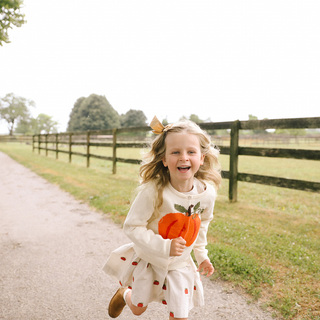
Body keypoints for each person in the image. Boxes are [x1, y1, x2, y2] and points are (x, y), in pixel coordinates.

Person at [103, 116, 221, 320]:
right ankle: (124, 294)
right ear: (164, 159)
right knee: (139, 308)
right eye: (175, 152)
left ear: (201, 158)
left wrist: (202, 255)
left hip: (180, 264)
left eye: (191, 152)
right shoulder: (154, 191)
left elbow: (201, 225)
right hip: (150, 259)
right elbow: (132, 226)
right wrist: (165, 246)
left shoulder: (207, 194)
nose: (184, 157)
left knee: (180, 315)